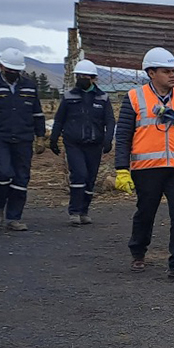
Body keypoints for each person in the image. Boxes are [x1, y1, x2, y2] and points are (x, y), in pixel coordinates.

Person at [112, 47, 174, 282]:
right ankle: (138, 252)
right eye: (167, 71)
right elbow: (123, 135)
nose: (173, 75)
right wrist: (122, 169)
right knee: (145, 213)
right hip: (147, 169)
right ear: (151, 73)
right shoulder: (135, 98)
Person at [0, 47, 46, 231]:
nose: (13, 73)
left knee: (21, 177)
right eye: (10, 70)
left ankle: (14, 217)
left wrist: (41, 136)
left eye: (16, 70)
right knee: (3, 173)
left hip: (23, 138)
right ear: (1, 66)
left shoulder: (29, 86)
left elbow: (37, 113)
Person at [50, 60, 114, 225]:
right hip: (74, 144)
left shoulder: (103, 98)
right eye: (79, 75)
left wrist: (108, 140)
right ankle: (74, 211)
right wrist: (53, 139)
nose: (82, 78)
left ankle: (84, 211)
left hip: (94, 144)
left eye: (85, 76)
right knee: (79, 175)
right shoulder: (69, 96)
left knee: (90, 178)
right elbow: (59, 120)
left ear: (93, 78)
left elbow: (110, 121)